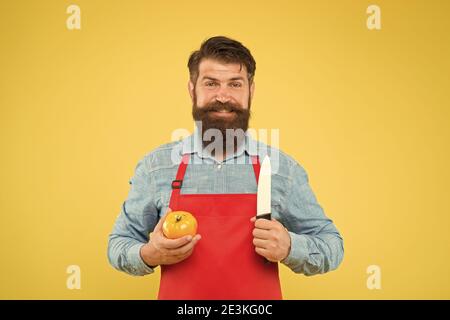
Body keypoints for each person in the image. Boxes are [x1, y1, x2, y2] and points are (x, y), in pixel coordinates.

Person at [108, 36, 344, 299]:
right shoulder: (157, 167)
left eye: (235, 84)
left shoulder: (280, 169)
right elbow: (119, 244)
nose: (223, 96)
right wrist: (150, 254)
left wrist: (291, 247)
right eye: (211, 83)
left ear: (250, 90)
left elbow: (331, 246)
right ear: (192, 89)